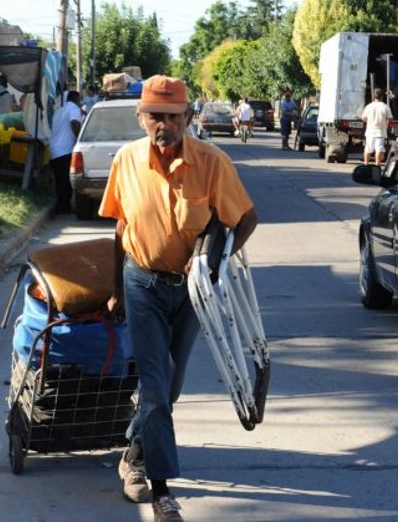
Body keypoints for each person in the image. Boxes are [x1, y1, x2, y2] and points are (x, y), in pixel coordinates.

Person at [98, 75, 259, 521]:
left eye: (172, 116)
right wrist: (116, 289)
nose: (163, 125)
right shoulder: (127, 161)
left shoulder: (212, 161)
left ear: (188, 117)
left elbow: (245, 220)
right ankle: (162, 488)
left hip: (190, 292)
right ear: (141, 117)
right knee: (155, 380)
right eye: (155, 116)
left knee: (170, 385)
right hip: (141, 281)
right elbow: (120, 229)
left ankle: (132, 451)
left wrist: (214, 262)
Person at [49, 90, 83, 214]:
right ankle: (64, 207)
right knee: (66, 181)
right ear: (76, 99)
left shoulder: (60, 110)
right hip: (66, 149)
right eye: (80, 100)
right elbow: (74, 122)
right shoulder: (74, 108)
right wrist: (80, 138)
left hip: (55, 149)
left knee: (59, 179)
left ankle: (61, 205)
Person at [361, 88, 393, 166]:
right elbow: (390, 118)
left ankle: (366, 164)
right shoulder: (385, 107)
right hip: (380, 132)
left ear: (374, 96)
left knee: (368, 149)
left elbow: (363, 117)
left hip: (370, 132)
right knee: (379, 149)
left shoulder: (369, 106)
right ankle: (377, 165)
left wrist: (369, 122)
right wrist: (387, 121)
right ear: (382, 97)